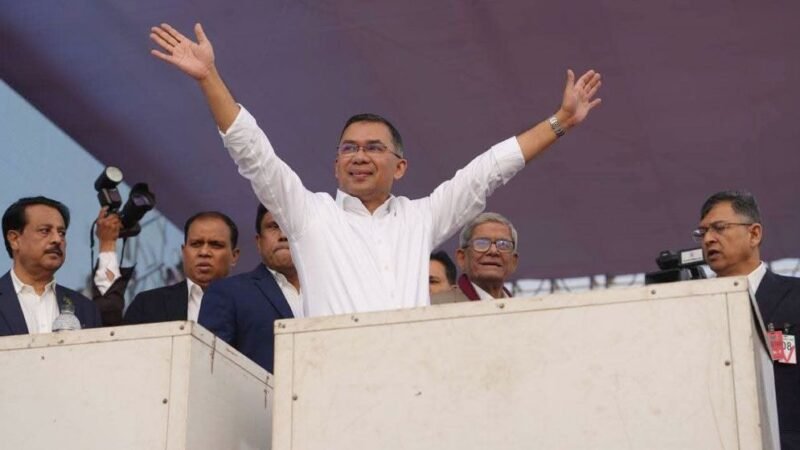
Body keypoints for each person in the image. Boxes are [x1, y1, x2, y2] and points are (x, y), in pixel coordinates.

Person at [150, 22, 602, 316]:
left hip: (410, 384)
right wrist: (209, 77)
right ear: (336, 164)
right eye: (349, 148)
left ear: (400, 166)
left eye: (373, 148)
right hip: (328, 381)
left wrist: (560, 121)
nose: (359, 156)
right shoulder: (309, 214)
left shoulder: (420, 218)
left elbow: (489, 170)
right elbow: (253, 152)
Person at [696, 190, 800, 449]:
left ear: (754, 234)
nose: (708, 239)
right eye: (703, 232)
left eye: (720, 228)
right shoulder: (692, 310)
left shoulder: (795, 297)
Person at [199, 205, 296, 372]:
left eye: (291, 226)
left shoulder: (330, 291)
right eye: (273, 226)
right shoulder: (227, 292)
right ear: (259, 242)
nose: (283, 235)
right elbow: (210, 368)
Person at [0, 196, 101, 335]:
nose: (57, 239)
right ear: (15, 239)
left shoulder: (85, 308)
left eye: (62, 233)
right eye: (45, 231)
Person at [123, 211, 240, 324]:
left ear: (234, 256)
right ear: (183, 252)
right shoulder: (147, 305)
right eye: (196, 244)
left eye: (216, 245)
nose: (204, 252)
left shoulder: (248, 305)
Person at [431, 212, 518, 304]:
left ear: (514, 261)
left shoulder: (523, 308)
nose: (493, 251)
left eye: (503, 244)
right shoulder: (435, 305)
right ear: (462, 258)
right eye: (481, 243)